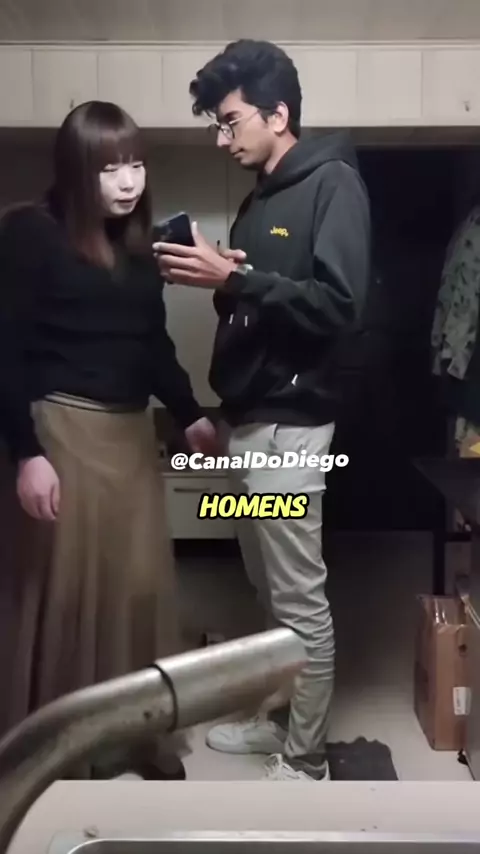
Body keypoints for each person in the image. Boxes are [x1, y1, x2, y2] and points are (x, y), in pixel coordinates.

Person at [155, 39, 371, 782]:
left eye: (231, 121)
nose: (223, 138)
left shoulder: (334, 184)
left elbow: (341, 308)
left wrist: (236, 282)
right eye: (217, 125)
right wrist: (220, 275)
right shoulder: (259, 200)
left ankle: (306, 760)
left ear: (278, 115)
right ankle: (278, 720)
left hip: (292, 429)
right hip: (248, 423)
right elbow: (257, 307)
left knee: (299, 598)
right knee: (267, 585)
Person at [0, 100, 216, 778]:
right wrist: (26, 452)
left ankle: (135, 736)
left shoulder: (139, 248)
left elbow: (151, 343)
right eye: (109, 167)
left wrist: (189, 412)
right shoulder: (30, 234)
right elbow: (5, 350)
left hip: (130, 439)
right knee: (66, 597)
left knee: (137, 589)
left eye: (136, 164)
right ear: (75, 171)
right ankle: (56, 747)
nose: (128, 181)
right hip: (62, 435)